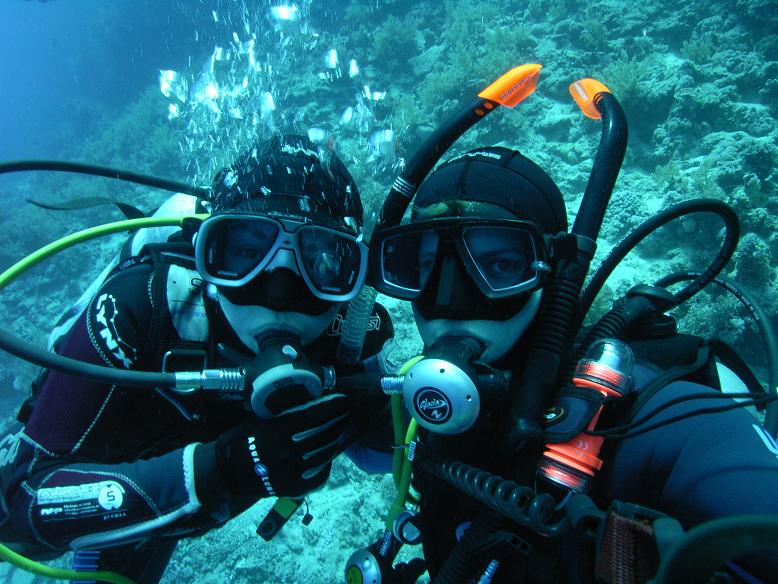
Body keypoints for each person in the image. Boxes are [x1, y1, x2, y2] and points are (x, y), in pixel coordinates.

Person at [369, 146, 778, 582]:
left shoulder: (651, 419)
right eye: (426, 265)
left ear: (554, 274)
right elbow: (359, 439)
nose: (450, 299)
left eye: (502, 265)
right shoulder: (414, 408)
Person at [0, 134, 394, 582]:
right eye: (247, 253)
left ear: (352, 274)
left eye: (320, 260)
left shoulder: (350, 331)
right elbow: (23, 501)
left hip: (172, 506)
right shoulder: (141, 306)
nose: (279, 292)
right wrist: (224, 469)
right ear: (207, 253)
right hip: (117, 467)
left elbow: (383, 455)